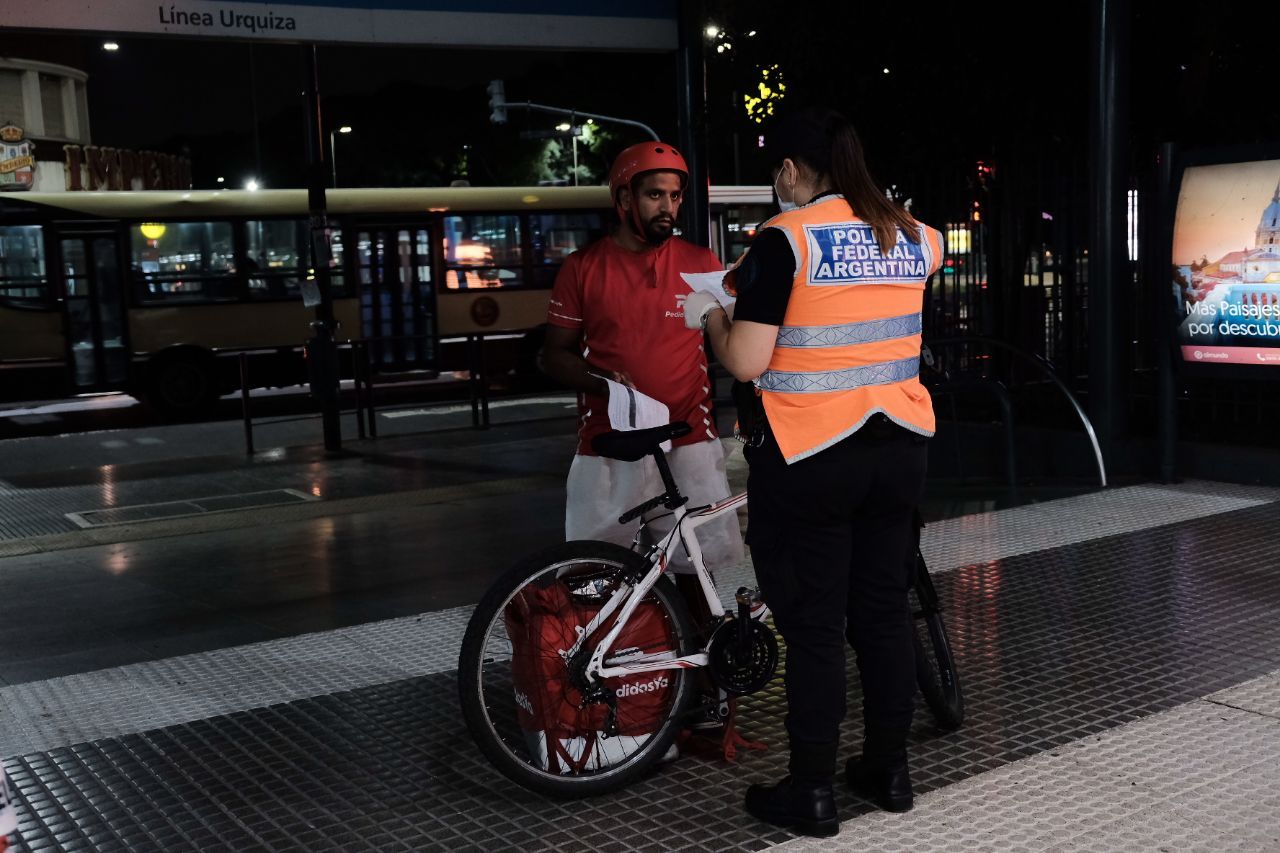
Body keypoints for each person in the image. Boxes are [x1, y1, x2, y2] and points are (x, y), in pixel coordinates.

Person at [684, 106, 943, 837]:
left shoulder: (785, 238)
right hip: (900, 453)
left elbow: (745, 360)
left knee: (819, 628)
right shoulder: (915, 235)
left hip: (811, 459)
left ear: (794, 170)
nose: (777, 184)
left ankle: (812, 788)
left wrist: (707, 311)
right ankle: (889, 770)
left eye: (778, 171)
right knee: (885, 615)